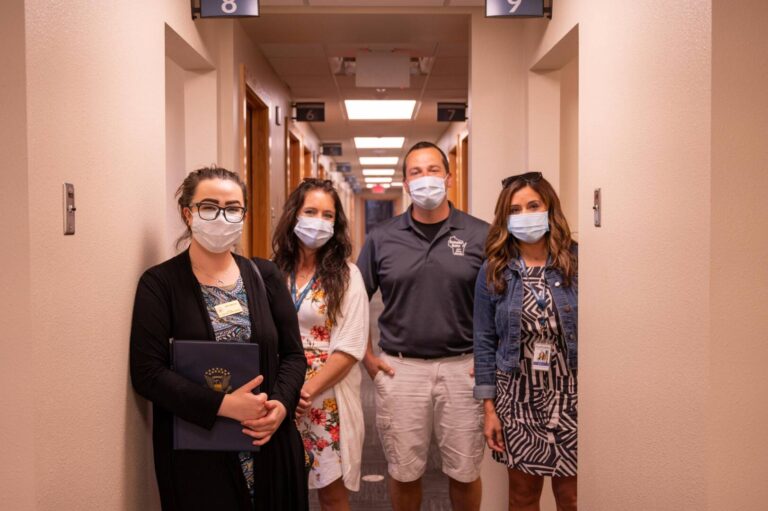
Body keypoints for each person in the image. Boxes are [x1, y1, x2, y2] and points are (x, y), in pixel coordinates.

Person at [130, 166, 308, 511]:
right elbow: (147, 373)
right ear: (188, 213)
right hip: (198, 451)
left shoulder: (266, 275)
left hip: (270, 441)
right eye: (209, 207)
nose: (222, 217)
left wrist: (281, 407)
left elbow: (293, 355)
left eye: (233, 208)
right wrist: (226, 407)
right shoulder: (160, 284)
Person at [356, 141, 489, 511]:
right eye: (416, 172)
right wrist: (367, 356)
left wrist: (489, 360)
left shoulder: (480, 234)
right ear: (405, 183)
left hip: (464, 368)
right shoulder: (381, 238)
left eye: (433, 170)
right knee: (404, 470)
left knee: (464, 470)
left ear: (448, 177)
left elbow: (499, 305)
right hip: (401, 370)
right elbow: (353, 301)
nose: (425, 179)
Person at [473, 172, 578, 511]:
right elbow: (484, 340)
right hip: (517, 395)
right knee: (521, 497)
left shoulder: (577, 262)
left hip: (574, 393)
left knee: (573, 497)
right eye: (515, 210)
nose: (525, 215)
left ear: (550, 209)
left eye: (533, 205)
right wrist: (489, 409)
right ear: (504, 218)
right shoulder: (494, 269)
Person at [272, 178, 369, 510]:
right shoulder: (272, 273)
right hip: (280, 394)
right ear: (294, 216)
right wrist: (286, 391)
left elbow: (350, 348)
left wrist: (306, 391)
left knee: (331, 493)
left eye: (328, 215)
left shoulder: (347, 275)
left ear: (336, 223)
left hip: (326, 396)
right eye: (310, 211)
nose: (319, 221)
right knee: (281, 488)